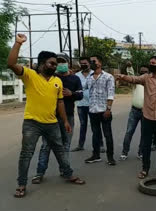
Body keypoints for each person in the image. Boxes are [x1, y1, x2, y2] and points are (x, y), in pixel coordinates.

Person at [7, 34, 85, 198]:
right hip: (32, 123)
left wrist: (64, 121)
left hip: (52, 123)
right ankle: (21, 184)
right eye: (51, 63)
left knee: (60, 150)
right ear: (42, 64)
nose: (54, 66)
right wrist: (17, 44)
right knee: (26, 153)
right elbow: (11, 63)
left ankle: (68, 174)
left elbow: (60, 103)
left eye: (55, 64)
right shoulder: (30, 75)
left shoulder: (57, 81)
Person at [116, 56, 156, 179]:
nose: (151, 65)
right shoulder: (146, 78)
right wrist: (122, 76)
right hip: (147, 117)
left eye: (153, 63)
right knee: (146, 145)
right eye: (150, 63)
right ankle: (145, 169)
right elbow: (134, 79)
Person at [33, 52, 83, 183]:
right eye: (57, 62)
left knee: (65, 145)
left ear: (68, 63)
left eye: (62, 61)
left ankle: (65, 171)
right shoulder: (51, 77)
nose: (60, 64)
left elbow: (80, 95)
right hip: (50, 117)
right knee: (46, 146)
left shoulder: (74, 79)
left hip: (68, 116)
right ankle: (39, 173)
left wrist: (71, 93)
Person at [84, 55, 116, 166]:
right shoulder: (89, 77)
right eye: (90, 61)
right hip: (93, 111)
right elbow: (84, 89)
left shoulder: (108, 77)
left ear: (100, 63)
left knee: (108, 135)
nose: (92, 63)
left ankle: (110, 157)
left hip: (104, 111)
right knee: (95, 134)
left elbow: (111, 94)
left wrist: (108, 109)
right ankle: (96, 155)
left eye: (94, 61)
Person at [119, 65, 149, 161]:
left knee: (144, 134)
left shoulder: (150, 83)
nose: (143, 73)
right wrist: (129, 66)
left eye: (145, 72)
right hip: (134, 110)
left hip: (146, 112)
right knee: (129, 132)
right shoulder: (135, 83)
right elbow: (130, 74)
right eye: (141, 72)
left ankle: (141, 153)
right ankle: (124, 152)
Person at [72, 57, 94, 152]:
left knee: (95, 125)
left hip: (93, 104)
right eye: (82, 63)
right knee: (83, 125)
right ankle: (80, 145)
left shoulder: (95, 74)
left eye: (85, 63)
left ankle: (100, 145)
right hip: (81, 104)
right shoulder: (76, 75)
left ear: (89, 63)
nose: (83, 65)